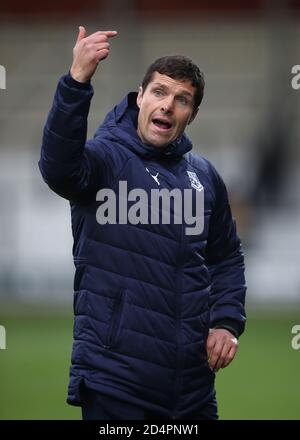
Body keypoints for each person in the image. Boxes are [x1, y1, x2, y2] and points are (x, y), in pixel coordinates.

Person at [39, 26, 246, 420]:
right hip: (116, 381)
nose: (168, 105)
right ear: (141, 97)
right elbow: (58, 170)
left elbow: (226, 258)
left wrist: (225, 322)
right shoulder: (103, 161)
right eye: (160, 92)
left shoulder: (204, 177)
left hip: (192, 390)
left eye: (182, 99)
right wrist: (76, 81)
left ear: (193, 114)